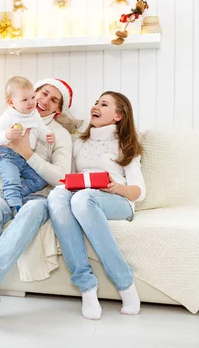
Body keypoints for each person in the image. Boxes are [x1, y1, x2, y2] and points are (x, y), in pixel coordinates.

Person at [0, 78, 74, 322]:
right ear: (30, 95)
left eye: (54, 99)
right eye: (42, 93)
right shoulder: (9, 119)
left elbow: (62, 177)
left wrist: (27, 154)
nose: (43, 101)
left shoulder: (58, 134)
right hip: (4, 194)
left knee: (31, 212)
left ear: (58, 109)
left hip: (38, 197)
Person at [47, 91, 146, 320]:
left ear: (118, 116)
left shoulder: (125, 144)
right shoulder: (79, 143)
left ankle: (125, 284)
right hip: (83, 195)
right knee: (56, 197)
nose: (96, 106)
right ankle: (87, 288)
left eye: (104, 104)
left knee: (83, 199)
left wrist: (115, 187)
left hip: (118, 200)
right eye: (95, 102)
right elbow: (69, 176)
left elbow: (139, 192)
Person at [0, 76, 55, 214]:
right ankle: (15, 207)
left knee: (40, 179)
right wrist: (7, 135)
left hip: (25, 158)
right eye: (25, 100)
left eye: (32, 97)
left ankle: (14, 193)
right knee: (11, 180)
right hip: (7, 157)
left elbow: (41, 128)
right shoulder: (9, 116)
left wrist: (47, 135)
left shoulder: (34, 114)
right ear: (11, 102)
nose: (31, 102)